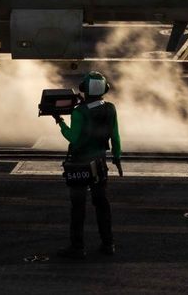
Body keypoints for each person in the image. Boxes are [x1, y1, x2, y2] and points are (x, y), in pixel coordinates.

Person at [54, 71, 123, 258]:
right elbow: (115, 137)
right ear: (105, 89)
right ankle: (108, 244)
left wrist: (60, 122)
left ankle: (77, 248)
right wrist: (116, 157)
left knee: (78, 208)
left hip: (79, 164)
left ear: (84, 89)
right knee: (102, 205)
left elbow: (73, 138)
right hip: (99, 163)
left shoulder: (79, 112)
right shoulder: (110, 108)